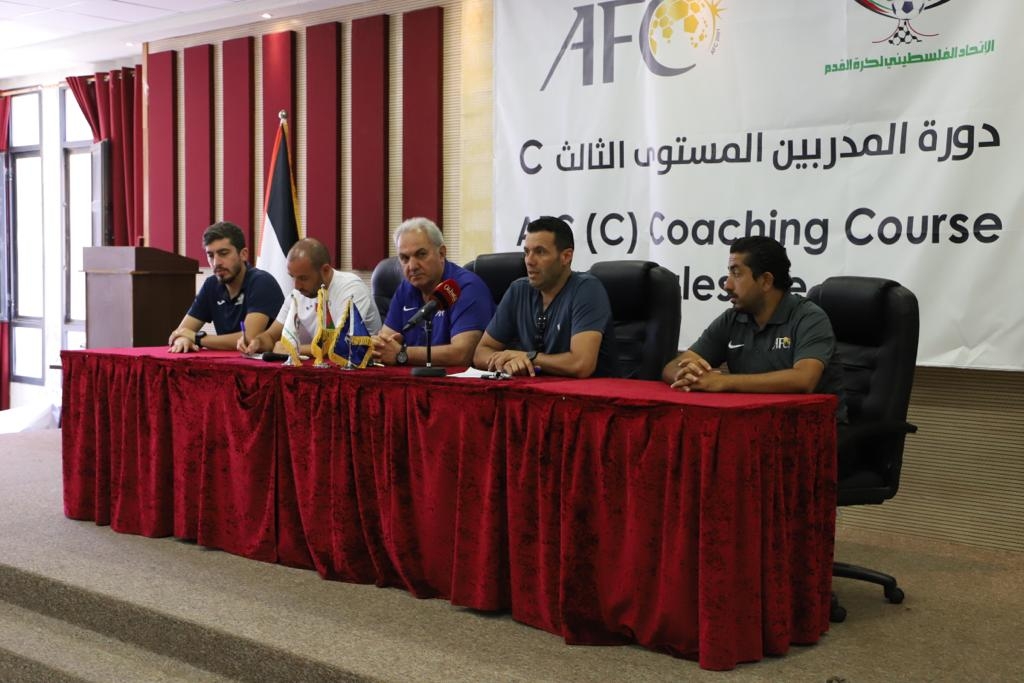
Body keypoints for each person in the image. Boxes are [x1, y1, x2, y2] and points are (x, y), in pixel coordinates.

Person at [662, 235, 847, 420]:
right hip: (753, 423)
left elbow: (804, 379)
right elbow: (671, 367)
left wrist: (722, 382)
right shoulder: (733, 318)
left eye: (736, 274)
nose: (726, 285)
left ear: (766, 281)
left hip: (813, 426)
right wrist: (688, 376)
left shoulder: (809, 317)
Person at [473, 216, 617, 378]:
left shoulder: (587, 289)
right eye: (527, 252)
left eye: (540, 252)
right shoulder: (518, 290)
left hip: (587, 391)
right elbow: (481, 352)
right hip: (534, 389)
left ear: (566, 256)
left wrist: (529, 357)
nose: (529, 261)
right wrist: (506, 362)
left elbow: (581, 364)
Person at [371, 218, 495, 367]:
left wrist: (402, 353)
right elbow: (385, 344)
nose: (412, 266)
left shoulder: (465, 287)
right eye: (405, 258)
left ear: (441, 253)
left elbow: (462, 354)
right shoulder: (406, 288)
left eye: (421, 254)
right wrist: (381, 346)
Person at [239, 238, 381, 356]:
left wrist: (294, 349)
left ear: (325, 271)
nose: (296, 286)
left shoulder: (351, 289)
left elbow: (343, 344)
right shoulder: (299, 293)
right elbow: (270, 336)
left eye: (303, 278)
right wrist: (257, 342)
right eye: (292, 277)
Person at [167, 221, 284, 353]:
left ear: (243, 254)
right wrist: (182, 339)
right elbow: (181, 332)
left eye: (223, 253)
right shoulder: (211, 285)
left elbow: (248, 338)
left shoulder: (262, 282)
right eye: (210, 255)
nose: (216, 262)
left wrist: (197, 338)